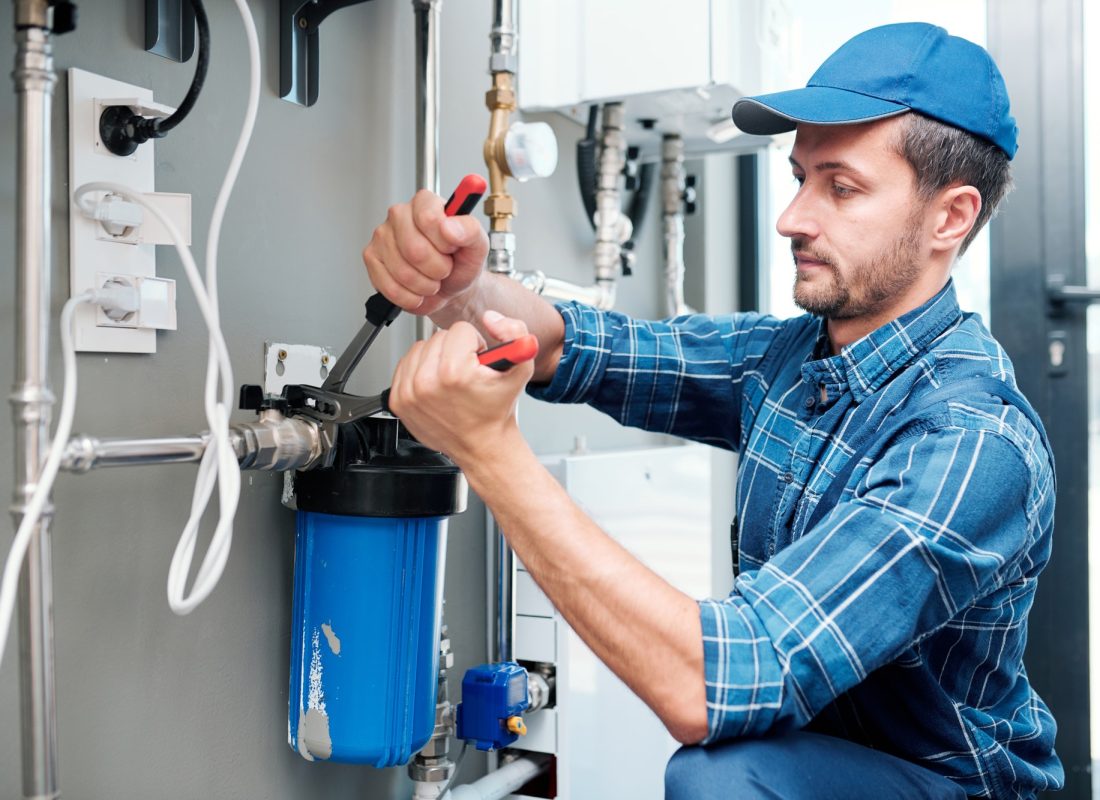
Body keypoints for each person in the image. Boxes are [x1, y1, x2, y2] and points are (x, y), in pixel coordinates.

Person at [362, 22, 1062, 800]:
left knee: (721, 778)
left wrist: (491, 454)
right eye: (799, 179)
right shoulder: (792, 359)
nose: (792, 217)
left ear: (950, 217)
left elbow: (717, 685)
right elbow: (580, 343)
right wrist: (459, 290)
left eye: (841, 187)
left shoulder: (971, 443)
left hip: (947, 786)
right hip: (818, 758)